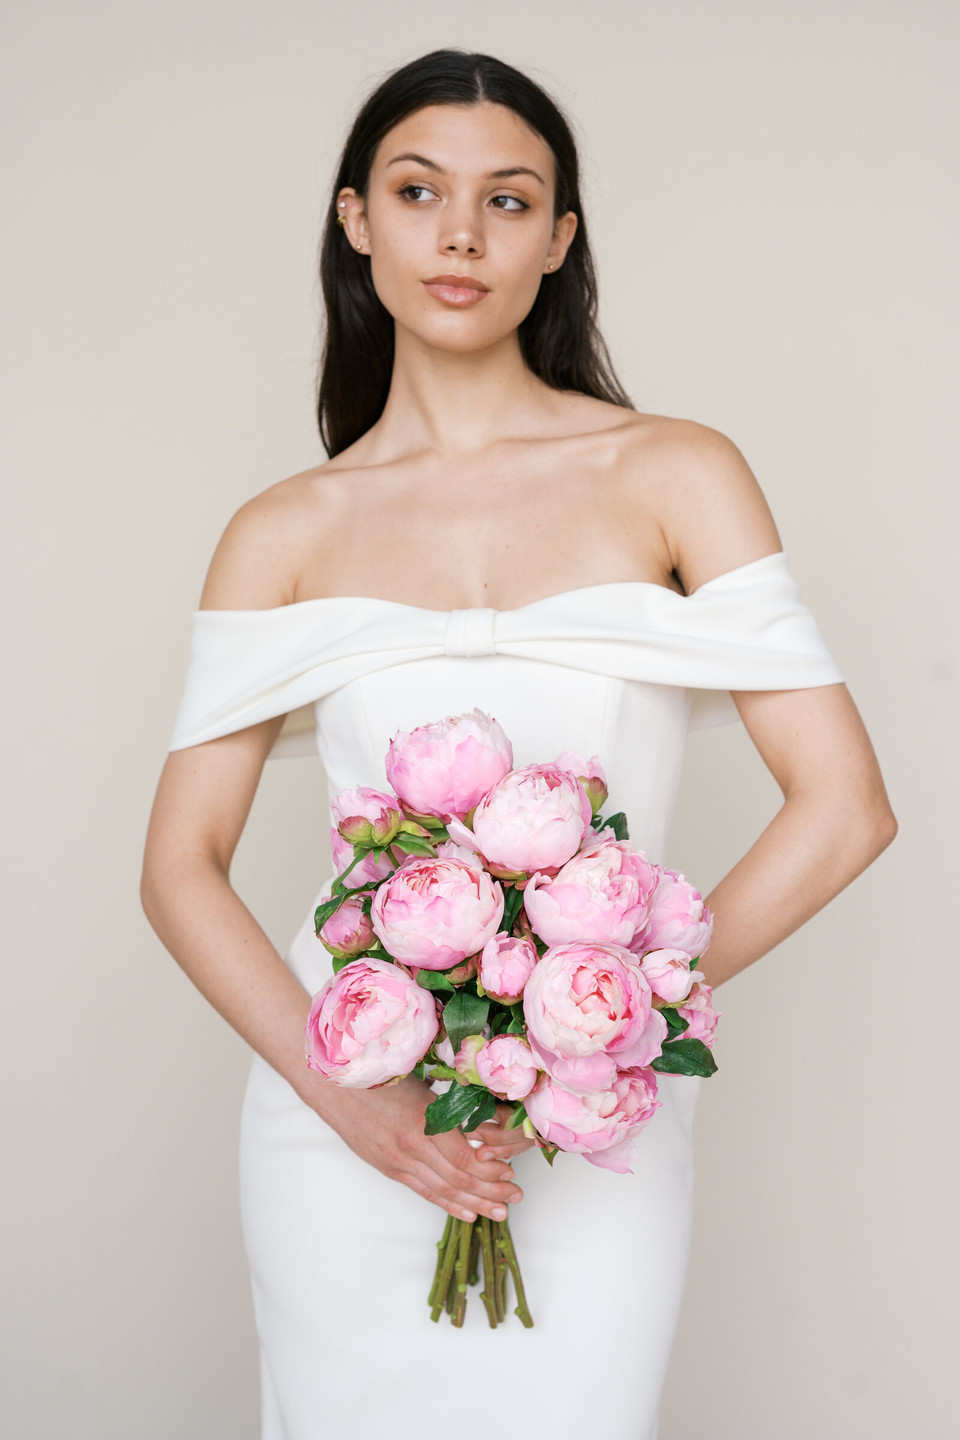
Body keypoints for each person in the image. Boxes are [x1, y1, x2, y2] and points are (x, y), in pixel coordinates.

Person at [140, 47, 897, 1440]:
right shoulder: (281, 530)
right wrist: (353, 1108)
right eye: (420, 191)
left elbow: (845, 807)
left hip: (598, 1126)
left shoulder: (677, 472)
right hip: (342, 1117)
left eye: (509, 200)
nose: (462, 234)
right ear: (356, 217)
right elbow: (179, 866)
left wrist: (599, 1031)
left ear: (558, 241)